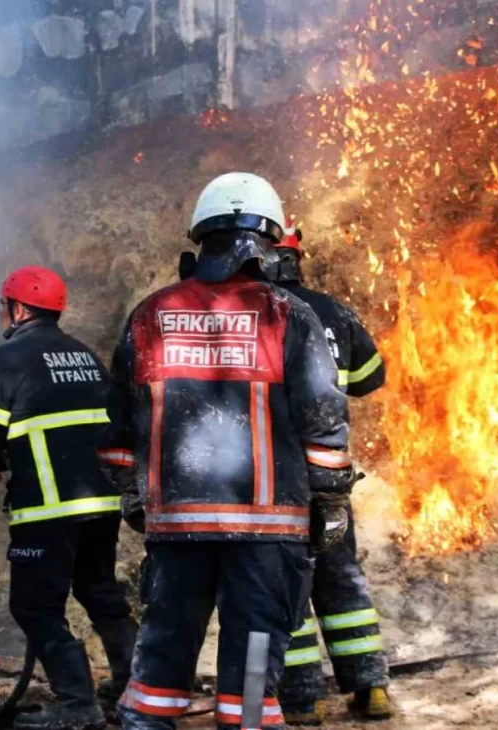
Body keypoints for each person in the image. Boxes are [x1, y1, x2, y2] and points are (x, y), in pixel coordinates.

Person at [99, 173, 353, 730]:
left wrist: (133, 497)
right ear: (268, 240)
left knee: (165, 640)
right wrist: (331, 505)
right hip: (266, 531)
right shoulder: (286, 314)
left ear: (201, 238)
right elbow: (322, 418)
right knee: (256, 653)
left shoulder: (150, 315)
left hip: (178, 525)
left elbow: (118, 425)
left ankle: (144, 723)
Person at [0, 265, 137, 730]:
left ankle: (76, 704)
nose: (1, 315)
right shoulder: (84, 355)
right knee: (100, 592)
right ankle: (133, 687)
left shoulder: (3, 360)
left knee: (34, 606)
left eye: (2, 306)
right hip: (101, 503)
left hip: (49, 510)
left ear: (19, 308)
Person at [271, 221, 393, 722]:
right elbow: (370, 377)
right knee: (342, 579)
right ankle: (370, 688)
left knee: (285, 581)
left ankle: (302, 702)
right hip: (331, 473)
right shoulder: (334, 311)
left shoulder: (258, 313)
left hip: (276, 476)